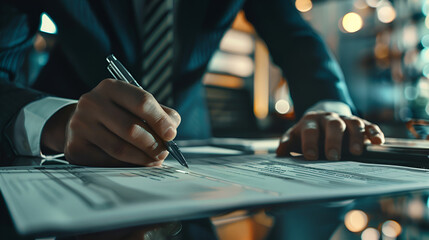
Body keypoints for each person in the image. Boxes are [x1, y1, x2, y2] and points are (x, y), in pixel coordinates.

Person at [0, 0, 384, 167]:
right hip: (72, 145)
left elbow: (295, 38)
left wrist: (328, 107)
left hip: (194, 141)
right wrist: (57, 121)